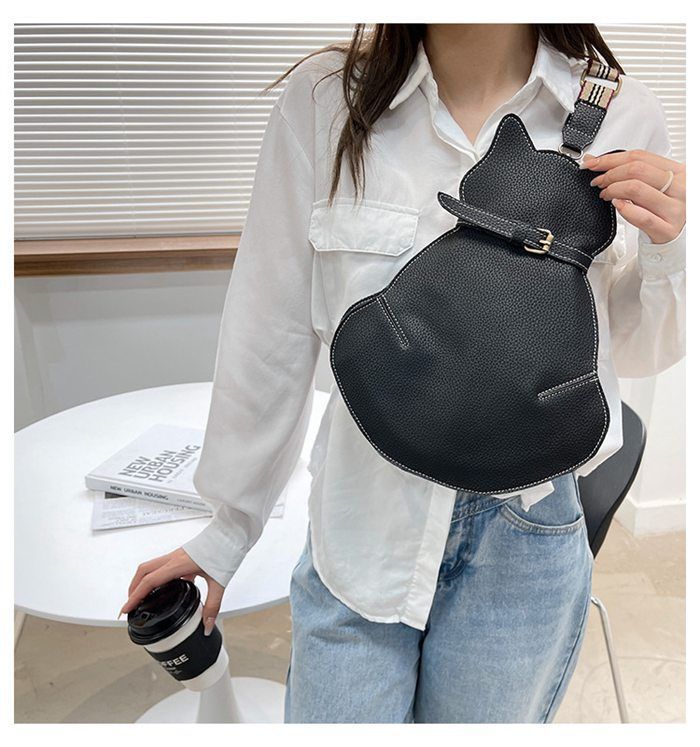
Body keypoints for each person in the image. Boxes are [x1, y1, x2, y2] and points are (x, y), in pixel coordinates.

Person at [122, 24, 686, 722]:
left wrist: (671, 246)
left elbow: (633, 351)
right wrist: (228, 526)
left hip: (527, 533)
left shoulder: (623, 112)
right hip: (362, 518)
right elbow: (269, 328)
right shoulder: (325, 102)